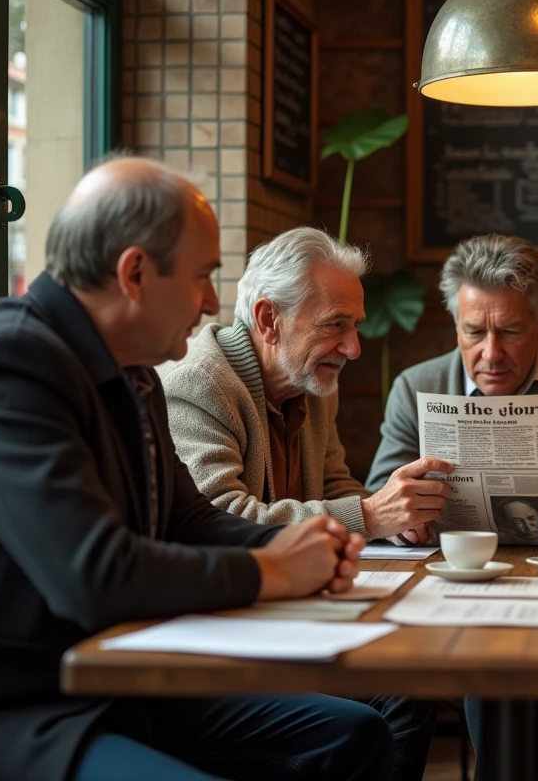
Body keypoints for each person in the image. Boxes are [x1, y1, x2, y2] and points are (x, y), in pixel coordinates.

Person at [0, 158, 393, 781]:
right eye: (202, 276)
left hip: (117, 683)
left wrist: (301, 543)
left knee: (355, 735)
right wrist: (270, 568)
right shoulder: (11, 360)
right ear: (134, 273)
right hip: (9, 710)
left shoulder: (132, 372)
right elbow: (95, 574)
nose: (213, 300)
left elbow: (188, 518)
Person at [158, 225, 447, 781]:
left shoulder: (311, 382)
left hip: (294, 614)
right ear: (268, 319)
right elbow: (219, 516)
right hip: (224, 634)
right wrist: (368, 515)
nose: (353, 348)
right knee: (396, 693)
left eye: (354, 326)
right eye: (335, 325)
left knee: (412, 682)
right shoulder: (196, 384)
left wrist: (396, 522)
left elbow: (336, 486)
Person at [366, 233, 538, 549]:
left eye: (509, 331)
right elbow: (379, 498)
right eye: (475, 332)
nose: (491, 353)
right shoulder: (415, 388)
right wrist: (399, 526)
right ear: (457, 328)